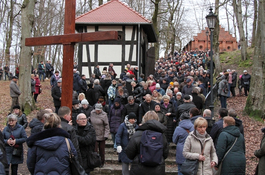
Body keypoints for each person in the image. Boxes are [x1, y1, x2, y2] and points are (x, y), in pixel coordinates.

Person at [125, 111, 169, 175]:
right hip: (157, 169)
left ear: (144, 120)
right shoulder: (162, 135)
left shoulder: (138, 134)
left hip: (138, 169)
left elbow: (129, 153)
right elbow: (165, 154)